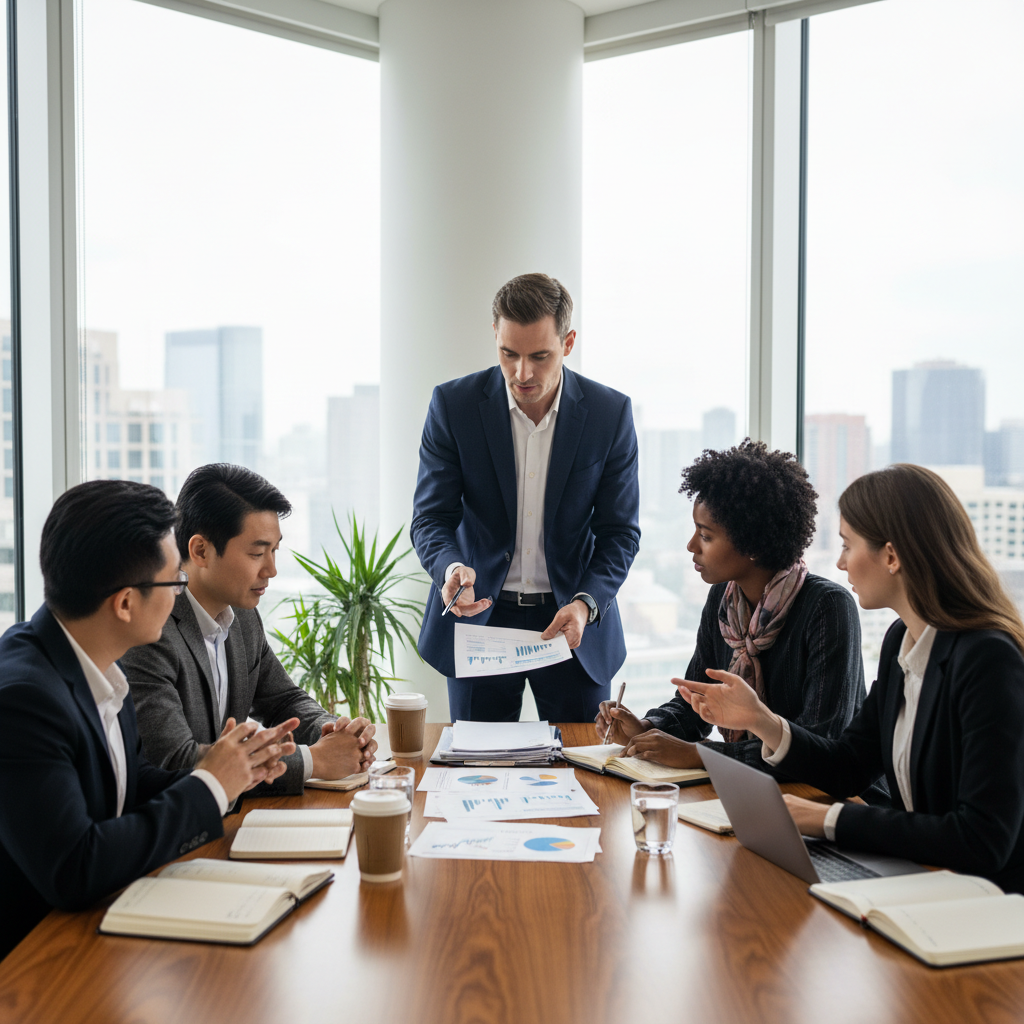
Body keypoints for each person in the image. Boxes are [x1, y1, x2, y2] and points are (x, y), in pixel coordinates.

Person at [678, 464, 1024, 892]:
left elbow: (983, 839)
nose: (840, 562)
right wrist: (760, 721)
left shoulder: (987, 658)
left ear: (892, 557)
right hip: (925, 880)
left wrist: (828, 820)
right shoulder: (902, 641)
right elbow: (848, 766)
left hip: (985, 903)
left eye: (847, 545)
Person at [0, 480, 299, 959]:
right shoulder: (24, 700)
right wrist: (208, 786)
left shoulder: (100, 664)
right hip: (37, 960)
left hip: (102, 928)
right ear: (124, 603)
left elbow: (131, 784)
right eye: (175, 580)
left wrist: (230, 774)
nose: (183, 592)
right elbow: (74, 868)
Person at [412, 272, 640, 722]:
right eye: (508, 354)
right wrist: (452, 569)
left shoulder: (609, 415)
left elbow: (620, 534)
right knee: (477, 775)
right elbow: (430, 519)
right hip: (481, 621)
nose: (522, 373)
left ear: (568, 342)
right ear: (494, 334)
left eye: (540, 356)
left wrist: (586, 603)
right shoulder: (453, 406)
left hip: (572, 623)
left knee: (584, 771)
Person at [596, 441, 872, 785]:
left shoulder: (828, 608)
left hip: (823, 793)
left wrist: (701, 755)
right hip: (753, 788)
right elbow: (696, 704)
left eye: (705, 535)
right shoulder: (722, 600)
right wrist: (647, 728)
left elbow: (820, 740)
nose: (691, 546)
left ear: (753, 544)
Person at [122, 464, 376, 794]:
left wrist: (331, 731)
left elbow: (283, 700)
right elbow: (175, 760)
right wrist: (315, 760)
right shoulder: (152, 631)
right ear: (201, 550)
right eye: (257, 553)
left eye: (274, 551)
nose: (271, 569)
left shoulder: (240, 614)